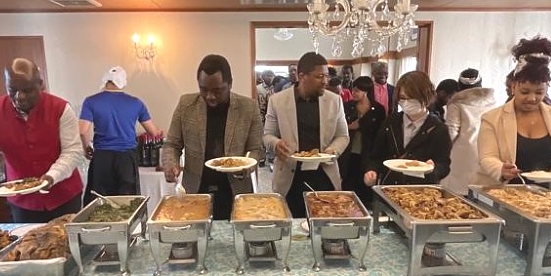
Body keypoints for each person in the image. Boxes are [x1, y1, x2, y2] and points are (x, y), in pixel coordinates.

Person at [0, 58, 84, 223]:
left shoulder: (61, 109)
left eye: (27, 90)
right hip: (22, 201)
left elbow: (73, 151)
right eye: (12, 90)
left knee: (69, 238)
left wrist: (51, 176)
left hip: (64, 195)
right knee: (26, 239)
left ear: (40, 85)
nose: (19, 97)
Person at [162, 55, 263, 219]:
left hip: (235, 189)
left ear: (230, 84)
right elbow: (172, 144)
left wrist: (246, 166)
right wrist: (170, 164)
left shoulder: (248, 108)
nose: (210, 96)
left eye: (217, 90)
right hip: (196, 188)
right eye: (204, 89)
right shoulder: (186, 105)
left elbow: (256, 149)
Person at [264, 52, 350, 217]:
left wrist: (333, 150)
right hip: (290, 174)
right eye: (319, 76)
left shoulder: (334, 101)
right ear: (302, 76)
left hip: (324, 172)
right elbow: (268, 135)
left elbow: (343, 135)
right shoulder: (278, 101)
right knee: (292, 222)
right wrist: (276, 144)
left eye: (326, 76)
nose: (325, 81)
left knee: (325, 220)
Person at [476, 37, 551, 184]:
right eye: (525, 92)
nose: (532, 98)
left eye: (539, 92)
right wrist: (501, 169)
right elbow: (487, 156)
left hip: (545, 193)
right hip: (503, 190)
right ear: (513, 87)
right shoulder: (492, 118)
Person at [78, 66, 161, 202]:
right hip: (126, 158)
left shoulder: (91, 101)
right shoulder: (136, 103)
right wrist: (159, 132)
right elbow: (153, 132)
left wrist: (86, 147)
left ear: (106, 81)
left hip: (102, 158)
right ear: (123, 82)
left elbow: (82, 131)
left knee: (100, 202)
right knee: (127, 202)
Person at [364, 71, 451, 187]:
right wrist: (372, 171)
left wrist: (434, 169)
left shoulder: (439, 128)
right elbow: (376, 155)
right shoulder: (391, 122)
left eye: (412, 98)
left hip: (420, 190)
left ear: (426, 97)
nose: (406, 102)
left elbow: (444, 164)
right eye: (402, 98)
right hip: (389, 186)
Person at [441, 68, 496, 194]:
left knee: (456, 195)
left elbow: (451, 133)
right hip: (486, 153)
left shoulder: (456, 105)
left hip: (462, 156)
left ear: (459, 87)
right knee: (480, 194)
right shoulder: (492, 103)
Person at [339, 75, 387, 207]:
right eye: (353, 90)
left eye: (357, 91)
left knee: (365, 181)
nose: (353, 93)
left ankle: (366, 207)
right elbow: (339, 126)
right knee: (349, 180)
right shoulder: (347, 106)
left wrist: (362, 124)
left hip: (368, 150)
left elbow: (380, 132)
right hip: (349, 150)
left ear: (365, 91)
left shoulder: (378, 109)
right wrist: (350, 127)